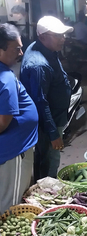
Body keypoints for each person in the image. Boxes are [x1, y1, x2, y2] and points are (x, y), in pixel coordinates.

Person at [20, 16, 73, 181]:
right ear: (42, 36)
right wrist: (53, 134)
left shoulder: (46, 48)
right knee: (49, 160)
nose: (62, 39)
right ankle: (46, 193)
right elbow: (40, 102)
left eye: (63, 35)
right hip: (48, 122)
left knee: (45, 157)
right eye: (57, 35)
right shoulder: (39, 65)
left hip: (56, 115)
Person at [0, 24, 38, 214]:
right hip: (13, 151)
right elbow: (2, 124)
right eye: (16, 48)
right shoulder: (5, 78)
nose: (21, 53)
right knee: (12, 205)